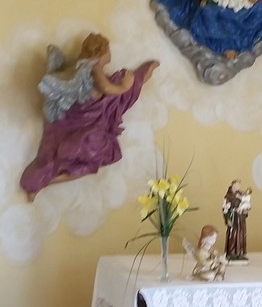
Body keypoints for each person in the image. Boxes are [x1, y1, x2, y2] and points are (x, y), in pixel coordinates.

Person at [20, 34, 159, 200]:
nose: (109, 53)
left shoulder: (83, 69)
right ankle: (43, 182)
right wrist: (125, 85)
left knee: (84, 163)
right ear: (101, 52)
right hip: (83, 130)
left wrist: (138, 76)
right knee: (94, 158)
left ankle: (43, 182)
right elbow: (106, 88)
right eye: (108, 50)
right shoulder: (93, 68)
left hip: (77, 126)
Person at [222, 180, 252, 262]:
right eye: (236, 185)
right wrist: (227, 218)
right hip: (233, 217)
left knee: (241, 235)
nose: (237, 187)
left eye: (238, 185)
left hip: (240, 218)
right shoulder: (228, 196)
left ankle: (240, 252)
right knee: (233, 234)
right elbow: (225, 208)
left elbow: (246, 203)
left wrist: (245, 211)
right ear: (232, 186)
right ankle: (231, 253)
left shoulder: (242, 194)